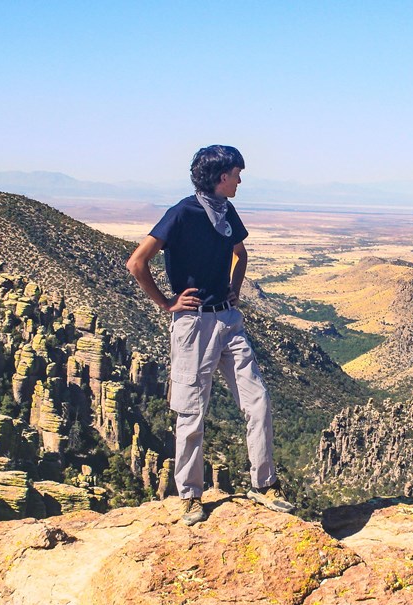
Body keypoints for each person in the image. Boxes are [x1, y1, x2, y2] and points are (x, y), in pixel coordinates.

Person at [125, 145, 293, 525]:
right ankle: (189, 495)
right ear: (221, 177)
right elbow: (136, 262)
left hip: (228, 320)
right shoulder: (182, 212)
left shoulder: (226, 211)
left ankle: (264, 485)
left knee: (259, 401)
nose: (240, 180)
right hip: (193, 325)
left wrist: (235, 288)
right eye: (237, 174)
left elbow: (240, 253)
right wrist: (167, 304)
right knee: (191, 413)